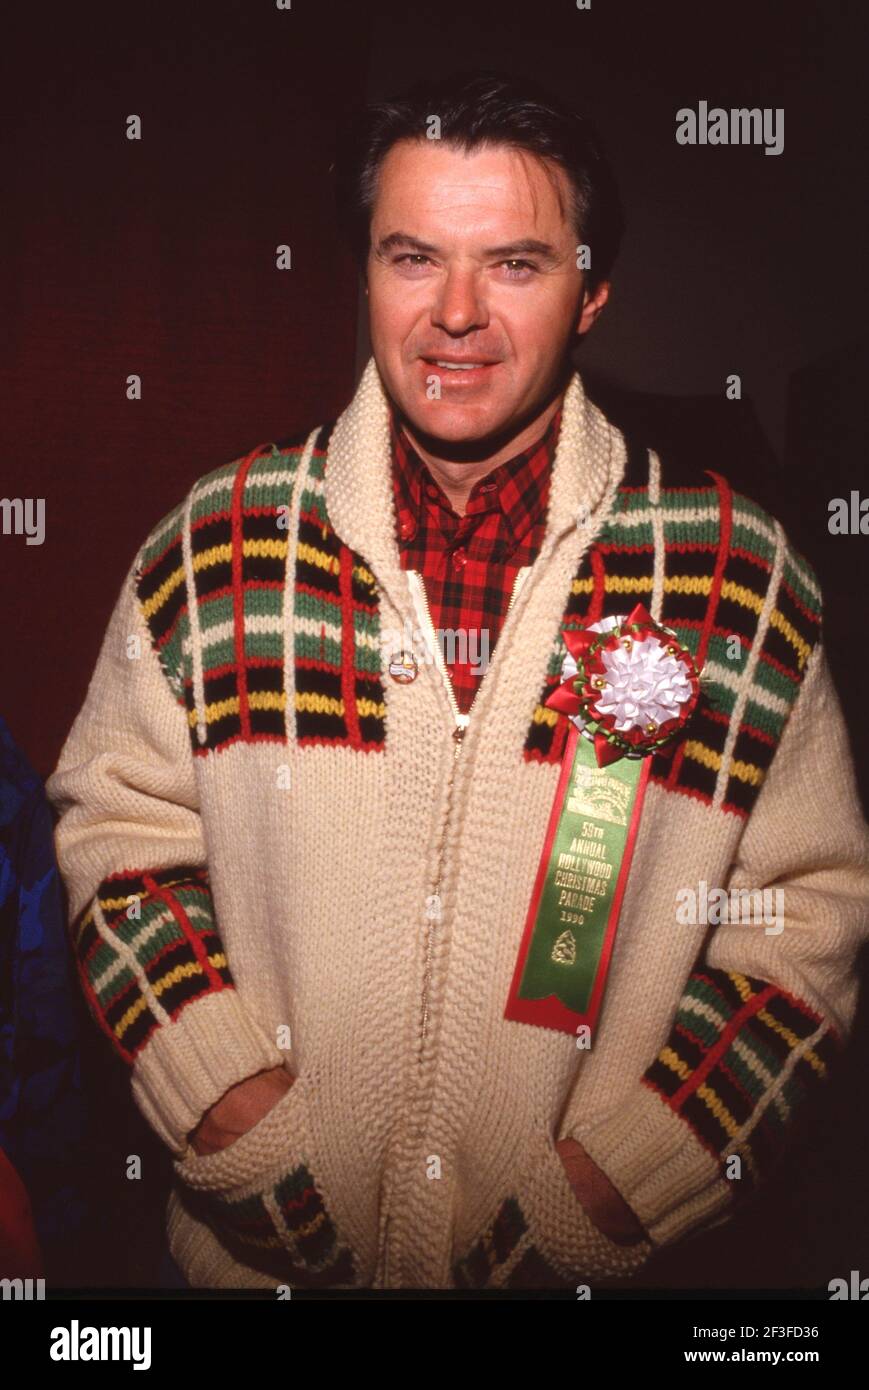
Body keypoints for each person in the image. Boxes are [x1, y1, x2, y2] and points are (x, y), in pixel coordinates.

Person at [45, 70, 869, 1291]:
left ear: (592, 292)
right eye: (412, 257)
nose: (455, 315)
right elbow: (118, 834)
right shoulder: (211, 545)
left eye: (517, 264)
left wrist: (617, 1183)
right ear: (365, 273)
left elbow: (802, 925)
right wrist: (229, 1105)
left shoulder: (736, 578)